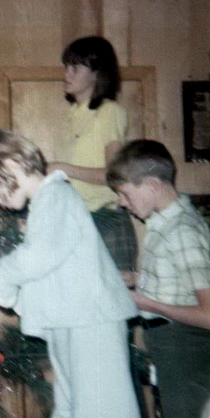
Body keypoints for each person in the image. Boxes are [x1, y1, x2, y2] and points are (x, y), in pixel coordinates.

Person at [0, 129, 143, 418]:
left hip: (93, 321)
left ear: (11, 164)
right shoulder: (44, 204)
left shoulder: (56, 195)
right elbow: (46, 281)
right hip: (73, 321)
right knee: (72, 412)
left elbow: (38, 257)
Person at [106, 139, 210, 418]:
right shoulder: (162, 223)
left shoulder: (182, 231)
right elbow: (177, 279)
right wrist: (136, 278)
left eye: (126, 193)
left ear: (152, 185)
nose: (122, 203)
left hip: (185, 347)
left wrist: (147, 302)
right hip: (167, 345)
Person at [48, 36, 137, 272]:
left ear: (97, 73)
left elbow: (115, 175)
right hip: (76, 221)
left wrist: (62, 168)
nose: (67, 73)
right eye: (66, 67)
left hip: (106, 221)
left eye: (75, 67)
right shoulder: (70, 116)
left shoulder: (109, 112)